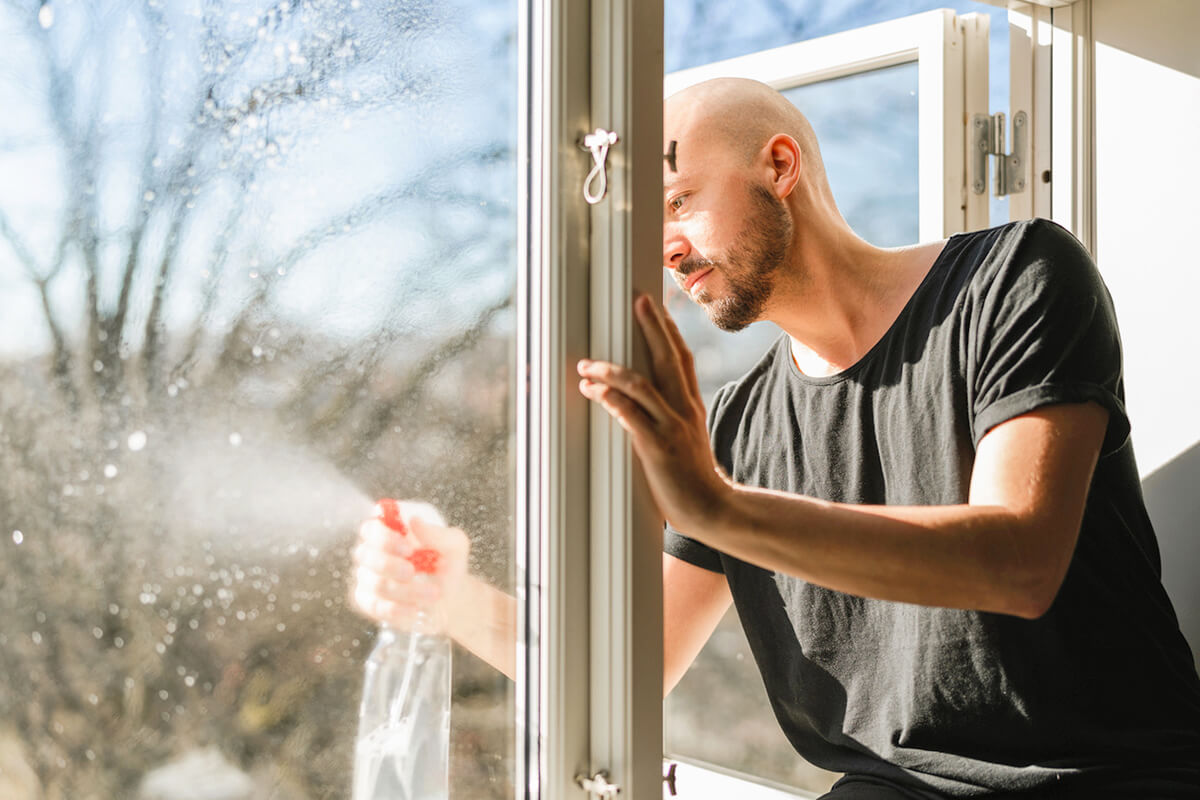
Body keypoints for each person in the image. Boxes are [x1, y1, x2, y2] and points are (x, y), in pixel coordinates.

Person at [352, 78, 1200, 798]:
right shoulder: (733, 427)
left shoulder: (1015, 276)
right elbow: (626, 677)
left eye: (679, 201)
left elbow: (1017, 564)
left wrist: (719, 508)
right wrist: (449, 597)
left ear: (780, 165)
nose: (666, 248)